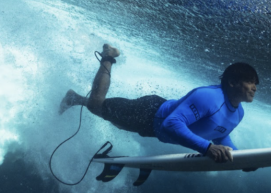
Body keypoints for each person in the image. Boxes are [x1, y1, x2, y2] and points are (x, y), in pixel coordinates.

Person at [58, 44, 258, 163]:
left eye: (256, 83)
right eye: (250, 81)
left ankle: (75, 98)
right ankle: (108, 55)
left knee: (113, 120)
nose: (255, 87)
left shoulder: (238, 113)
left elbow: (220, 135)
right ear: (232, 82)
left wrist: (240, 159)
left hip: (153, 125)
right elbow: (172, 124)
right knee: (97, 106)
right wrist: (207, 149)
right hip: (148, 113)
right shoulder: (208, 97)